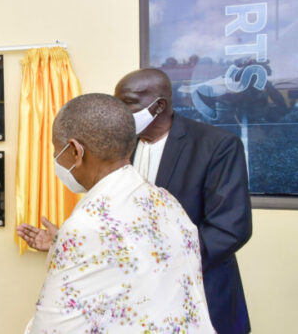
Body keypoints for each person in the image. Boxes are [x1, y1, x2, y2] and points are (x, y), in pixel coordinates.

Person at [17, 93, 214, 334]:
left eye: (57, 151)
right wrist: (63, 244)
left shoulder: (87, 225)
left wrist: (71, 241)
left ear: (76, 151)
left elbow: (51, 328)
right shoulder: (165, 199)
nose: (56, 159)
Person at [114, 68, 252, 334]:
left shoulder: (217, 146)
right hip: (138, 298)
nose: (119, 112)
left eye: (127, 103)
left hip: (200, 291)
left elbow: (230, 228)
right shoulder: (121, 147)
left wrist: (162, 262)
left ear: (159, 105)